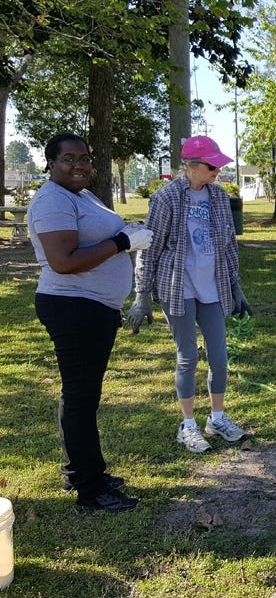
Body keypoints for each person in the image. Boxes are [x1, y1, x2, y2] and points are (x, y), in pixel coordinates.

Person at [28, 133, 153, 512]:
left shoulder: (81, 195)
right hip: (74, 307)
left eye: (84, 158)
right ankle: (91, 488)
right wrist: (122, 243)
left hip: (91, 307)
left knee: (80, 396)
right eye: (69, 158)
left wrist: (126, 232)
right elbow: (63, 261)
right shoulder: (52, 200)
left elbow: (97, 235)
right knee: (81, 398)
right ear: (51, 163)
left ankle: (79, 471)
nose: (79, 165)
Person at [127, 135, 252, 453]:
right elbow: (149, 247)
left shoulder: (219, 196)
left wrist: (235, 286)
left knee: (219, 358)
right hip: (177, 286)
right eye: (212, 167)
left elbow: (228, 245)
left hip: (213, 286)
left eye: (218, 167)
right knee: (188, 357)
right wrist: (141, 294)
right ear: (191, 166)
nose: (217, 172)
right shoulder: (166, 197)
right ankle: (188, 425)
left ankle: (217, 418)